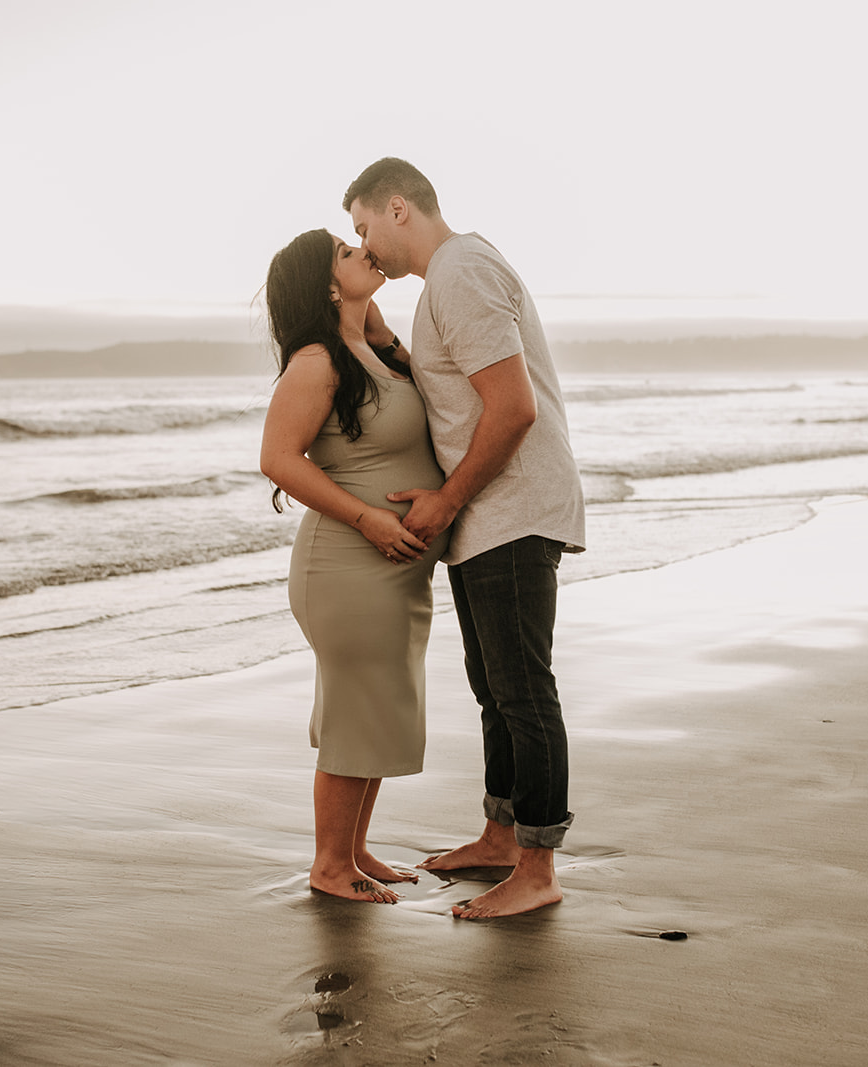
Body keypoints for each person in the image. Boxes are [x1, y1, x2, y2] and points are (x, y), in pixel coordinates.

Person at [345, 158, 587, 919]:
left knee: (523, 692)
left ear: (397, 209)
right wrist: (389, 345)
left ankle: (539, 865)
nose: (364, 245)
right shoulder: (449, 280)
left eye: (362, 228)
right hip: (490, 517)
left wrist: (447, 500)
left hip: (509, 512)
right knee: (493, 689)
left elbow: (511, 409)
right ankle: (500, 836)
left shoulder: (460, 272)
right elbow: (460, 389)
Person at [259, 227, 449, 904]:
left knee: (374, 707)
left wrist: (370, 317)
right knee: (354, 710)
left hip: (392, 567)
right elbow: (279, 459)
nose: (364, 248)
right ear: (328, 283)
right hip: (348, 563)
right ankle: (329, 864)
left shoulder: (369, 349)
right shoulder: (316, 360)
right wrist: (369, 517)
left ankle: (355, 849)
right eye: (347, 250)